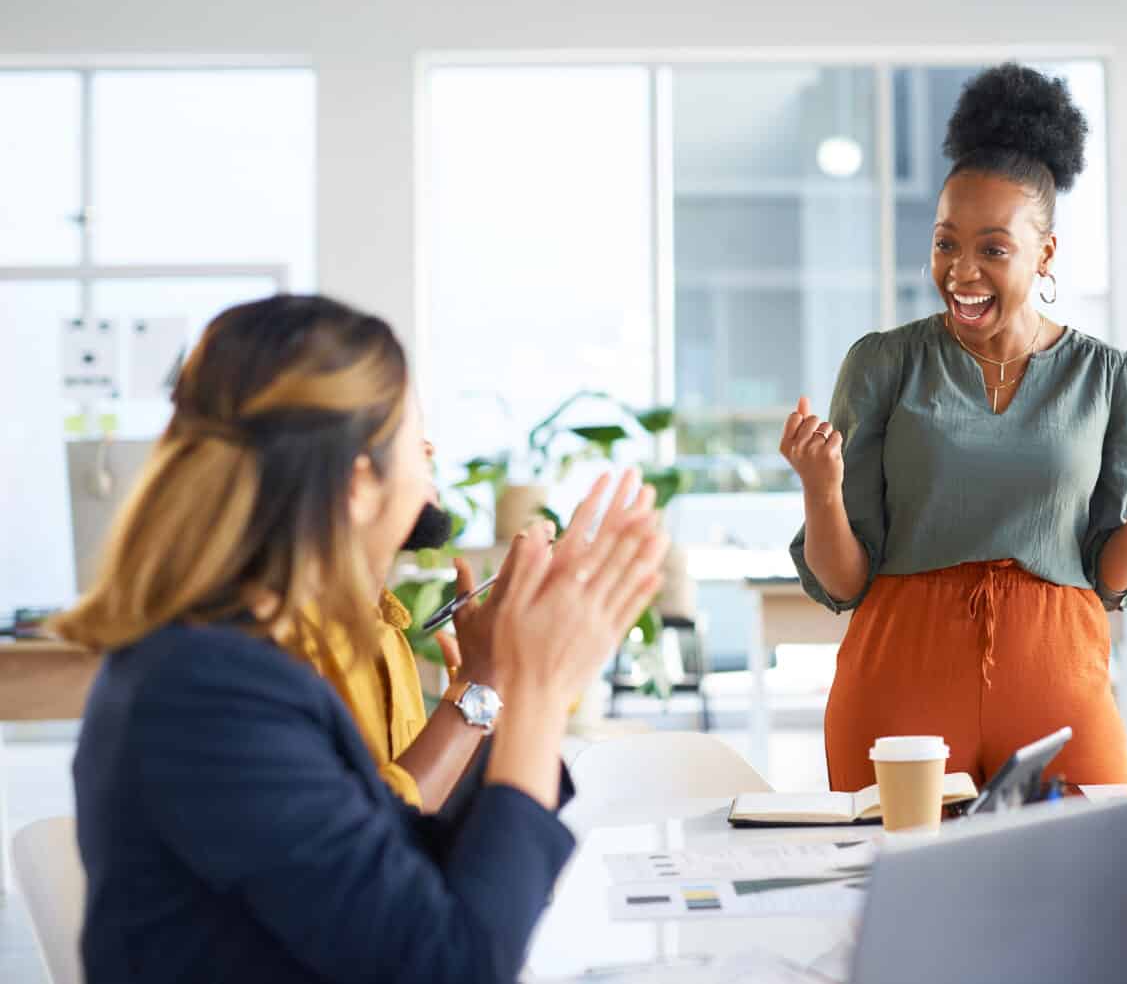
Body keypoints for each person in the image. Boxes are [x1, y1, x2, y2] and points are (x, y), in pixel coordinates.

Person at [52, 294, 668, 984]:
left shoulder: (232, 661)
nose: (431, 469)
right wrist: (537, 694)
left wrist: (503, 681)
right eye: (416, 443)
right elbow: (454, 965)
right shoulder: (206, 694)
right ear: (357, 484)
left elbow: (408, 870)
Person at [786, 63, 1127, 791]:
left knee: (1092, 884)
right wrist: (820, 489)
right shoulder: (882, 364)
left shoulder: (1108, 378)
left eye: (992, 248)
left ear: (1044, 254)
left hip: (1059, 681)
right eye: (945, 244)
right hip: (900, 683)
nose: (962, 271)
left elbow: (1114, 578)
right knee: (900, 896)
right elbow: (843, 583)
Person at [291, 484, 504, 811]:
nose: (430, 449)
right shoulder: (286, 640)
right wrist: (478, 688)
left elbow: (427, 814)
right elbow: (361, 842)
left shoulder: (389, 636)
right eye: (414, 440)